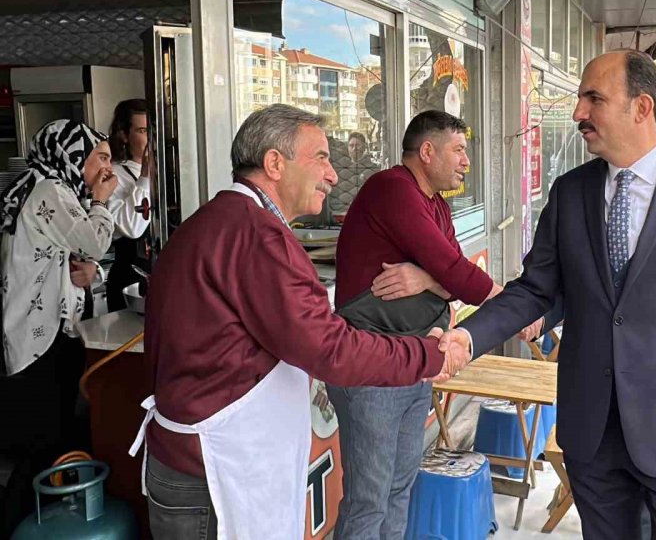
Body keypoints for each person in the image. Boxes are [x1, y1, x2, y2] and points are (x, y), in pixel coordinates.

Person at [439, 50, 656, 539]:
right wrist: (466, 339)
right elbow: (535, 290)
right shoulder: (570, 191)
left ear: (641, 107)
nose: (578, 114)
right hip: (593, 431)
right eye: (579, 99)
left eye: (594, 99)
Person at [130, 105, 464, 540]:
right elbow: (328, 347)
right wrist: (427, 355)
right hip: (212, 472)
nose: (333, 175)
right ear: (274, 163)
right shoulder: (256, 234)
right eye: (321, 158)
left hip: (198, 461)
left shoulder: (219, 221)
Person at [330, 111, 536, 539]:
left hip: (417, 360)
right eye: (459, 150)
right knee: (369, 498)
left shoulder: (437, 205)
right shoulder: (392, 189)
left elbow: (449, 271)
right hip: (373, 365)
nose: (466, 162)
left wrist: (425, 277)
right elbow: (454, 269)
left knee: (401, 487)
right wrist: (513, 309)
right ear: (427, 151)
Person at [0, 120, 117, 534]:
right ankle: (18, 524)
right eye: (99, 157)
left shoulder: (48, 187)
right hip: (35, 337)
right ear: (72, 156)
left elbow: (71, 256)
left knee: (54, 437)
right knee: (41, 443)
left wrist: (86, 271)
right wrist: (102, 200)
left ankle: (43, 522)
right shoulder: (50, 189)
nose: (107, 168)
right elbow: (94, 241)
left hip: (41, 331)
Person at [105, 99, 151, 312]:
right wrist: (145, 178)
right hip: (130, 278)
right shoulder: (114, 174)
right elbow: (132, 228)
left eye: (152, 130)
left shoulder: (172, 174)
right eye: (142, 131)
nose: (150, 138)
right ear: (124, 135)